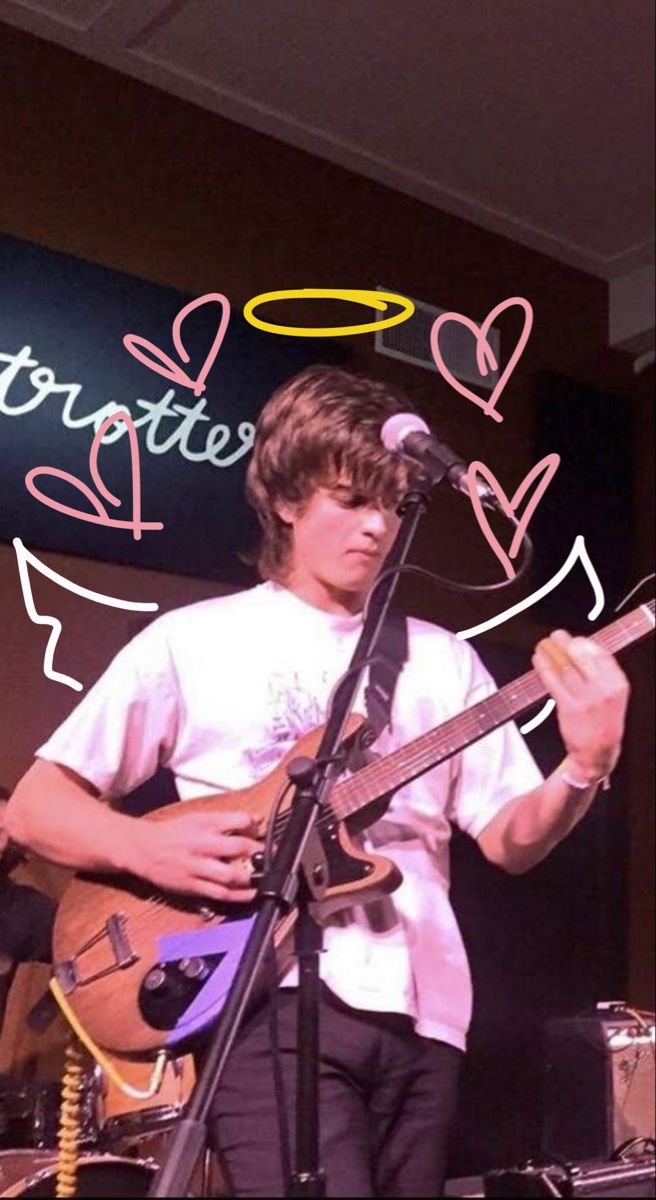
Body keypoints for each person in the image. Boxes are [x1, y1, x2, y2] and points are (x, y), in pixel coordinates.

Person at [5, 367, 629, 1197]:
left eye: (392, 505)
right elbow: (35, 806)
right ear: (289, 499)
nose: (375, 527)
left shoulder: (444, 659)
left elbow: (511, 840)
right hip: (265, 994)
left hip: (427, 1011)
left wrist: (584, 766)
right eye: (349, 498)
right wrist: (147, 849)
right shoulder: (193, 642)